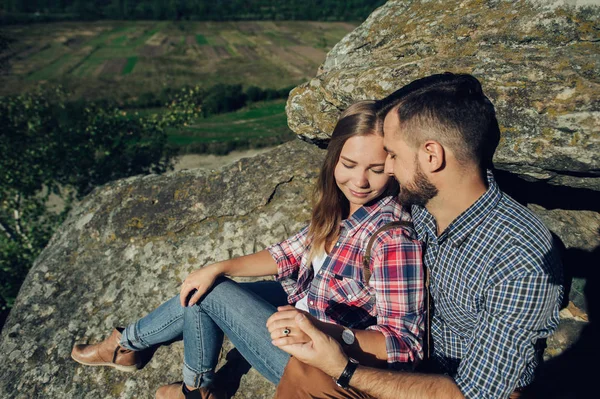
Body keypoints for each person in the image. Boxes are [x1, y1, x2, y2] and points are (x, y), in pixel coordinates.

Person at [70, 100, 425, 399]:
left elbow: (405, 345)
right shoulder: (344, 208)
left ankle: (175, 377)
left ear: (393, 165)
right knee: (207, 283)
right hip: (304, 307)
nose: (359, 181)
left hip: (312, 361)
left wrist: (324, 331)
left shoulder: (391, 238)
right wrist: (220, 266)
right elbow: (288, 253)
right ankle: (139, 352)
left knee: (212, 295)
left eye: (376, 169)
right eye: (348, 165)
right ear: (333, 158)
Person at [273, 73, 563, 399]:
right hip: (407, 366)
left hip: (449, 389)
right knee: (303, 358)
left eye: (393, 155)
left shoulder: (520, 255)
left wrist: (344, 368)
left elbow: (475, 392)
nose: (390, 170)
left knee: (310, 370)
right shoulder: (424, 207)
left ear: (431, 155)